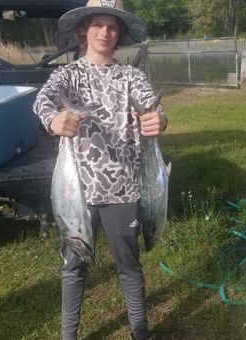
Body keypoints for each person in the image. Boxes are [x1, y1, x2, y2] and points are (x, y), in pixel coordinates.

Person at [33, 1, 167, 339]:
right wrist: (53, 119)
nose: (105, 33)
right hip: (75, 191)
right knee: (74, 266)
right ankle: (69, 335)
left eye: (112, 27)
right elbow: (42, 100)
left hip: (124, 189)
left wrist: (159, 119)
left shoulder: (131, 76)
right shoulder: (68, 75)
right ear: (85, 29)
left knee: (128, 265)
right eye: (98, 25)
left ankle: (140, 331)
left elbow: (154, 105)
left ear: (118, 33)